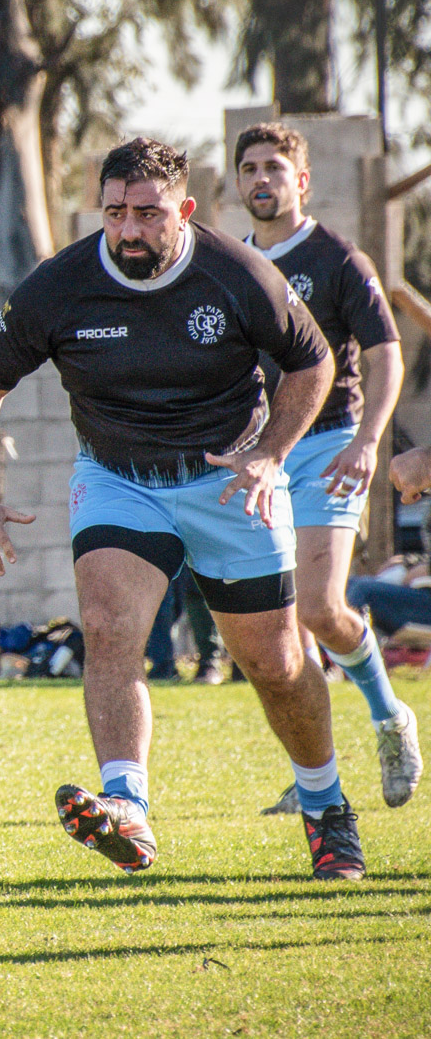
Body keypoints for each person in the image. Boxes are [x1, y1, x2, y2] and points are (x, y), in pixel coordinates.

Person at [0, 137, 365, 880]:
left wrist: (270, 452)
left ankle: (326, 804)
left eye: (146, 214)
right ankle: (128, 808)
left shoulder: (238, 274)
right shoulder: (61, 285)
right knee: (109, 629)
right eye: (114, 213)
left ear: (184, 210)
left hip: (227, 476)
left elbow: (314, 362)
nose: (128, 230)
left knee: (274, 662)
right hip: (118, 477)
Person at [233, 121, 420, 814]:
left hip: (331, 445)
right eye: (249, 168)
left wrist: (368, 439)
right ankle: (319, 778)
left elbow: (386, 354)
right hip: (259, 455)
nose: (261, 179)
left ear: (300, 181)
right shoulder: (230, 264)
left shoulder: (340, 258)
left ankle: (388, 717)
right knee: (276, 630)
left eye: (274, 167)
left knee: (317, 606)